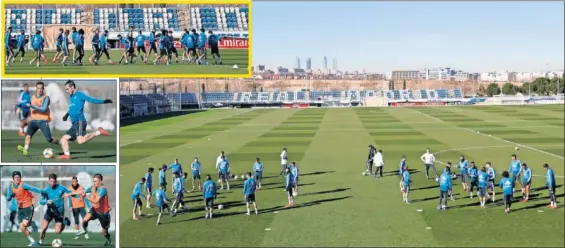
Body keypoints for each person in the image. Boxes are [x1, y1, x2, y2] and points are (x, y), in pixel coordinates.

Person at [57, 80, 113, 160]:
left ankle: (98, 132)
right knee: (63, 139)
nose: (66, 91)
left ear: (72, 87)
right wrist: (66, 115)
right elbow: (72, 108)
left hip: (80, 121)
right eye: (65, 89)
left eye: (67, 89)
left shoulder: (80, 95)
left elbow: (92, 100)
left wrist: (103, 101)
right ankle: (67, 155)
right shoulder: (71, 96)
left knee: (80, 141)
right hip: (74, 124)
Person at [17, 81, 59, 156]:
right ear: (36, 88)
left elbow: (43, 109)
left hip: (42, 121)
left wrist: (32, 106)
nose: (40, 90)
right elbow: (28, 105)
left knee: (49, 139)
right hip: (34, 121)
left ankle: (59, 142)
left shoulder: (46, 98)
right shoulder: (33, 97)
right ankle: (25, 149)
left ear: (43, 89)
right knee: (28, 136)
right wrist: (19, 106)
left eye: (41, 88)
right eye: (38, 88)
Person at [6, 171, 44, 246]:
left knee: (25, 224)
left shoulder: (23, 185)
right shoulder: (10, 187)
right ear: (13, 179)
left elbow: (33, 188)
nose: (17, 178)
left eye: (18, 177)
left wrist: (41, 191)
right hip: (20, 208)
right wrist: (10, 196)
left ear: (20, 178)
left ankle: (31, 223)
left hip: (28, 207)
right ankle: (33, 242)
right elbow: (8, 198)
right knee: (22, 227)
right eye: (16, 177)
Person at [77, 174, 113, 246]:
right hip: (95, 210)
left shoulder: (103, 190)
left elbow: (96, 201)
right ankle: (85, 230)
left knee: (104, 233)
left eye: (96, 181)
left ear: (100, 181)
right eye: (93, 181)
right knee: (84, 220)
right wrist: (68, 194)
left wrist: (86, 197)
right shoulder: (92, 187)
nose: (94, 183)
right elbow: (83, 191)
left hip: (103, 214)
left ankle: (108, 239)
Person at [38, 174, 72, 246]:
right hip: (50, 211)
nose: (52, 183)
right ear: (48, 181)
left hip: (59, 212)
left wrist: (69, 201)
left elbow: (70, 193)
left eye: (54, 181)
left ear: (56, 181)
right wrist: (46, 201)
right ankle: (40, 241)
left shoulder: (61, 188)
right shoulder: (46, 190)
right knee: (43, 228)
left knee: (58, 232)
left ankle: (65, 221)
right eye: (51, 181)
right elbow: (41, 201)